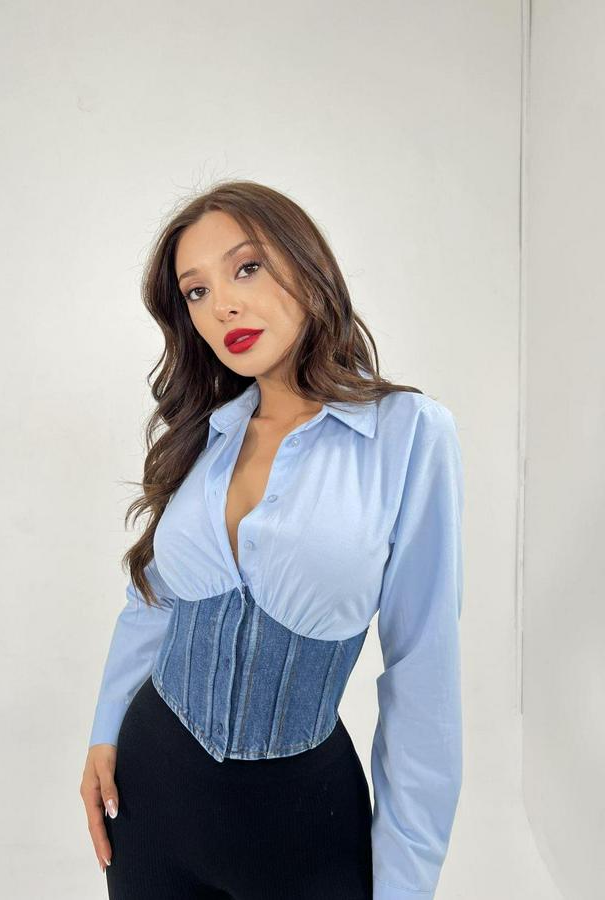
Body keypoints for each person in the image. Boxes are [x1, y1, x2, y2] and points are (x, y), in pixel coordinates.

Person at [79, 180, 465, 900]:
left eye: (247, 267)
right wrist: (105, 731)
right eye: (196, 292)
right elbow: (154, 599)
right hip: (149, 803)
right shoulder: (206, 436)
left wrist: (406, 886)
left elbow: (424, 674)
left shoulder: (408, 435)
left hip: (303, 827)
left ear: (306, 264)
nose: (221, 305)